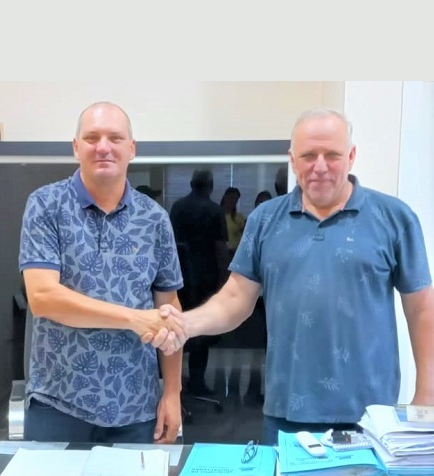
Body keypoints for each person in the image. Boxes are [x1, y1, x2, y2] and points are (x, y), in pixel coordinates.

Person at [153, 108, 434, 445]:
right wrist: (185, 325)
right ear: (292, 159)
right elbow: (234, 300)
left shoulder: (394, 218)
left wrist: (427, 391)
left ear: (351, 156)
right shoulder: (265, 220)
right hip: (287, 412)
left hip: (371, 413)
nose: (320, 166)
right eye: (308, 155)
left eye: (332, 155)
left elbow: (422, 308)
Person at [18, 101, 184, 444]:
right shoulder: (45, 205)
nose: (103, 147)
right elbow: (43, 297)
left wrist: (172, 392)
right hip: (58, 404)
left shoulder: (154, 219)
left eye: (115, 138)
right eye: (92, 138)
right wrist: (133, 318)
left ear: (131, 149)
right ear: (76, 147)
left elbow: (169, 308)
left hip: (136, 406)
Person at [169, 170, 229, 396]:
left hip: (180, 278)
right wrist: (224, 280)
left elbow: (169, 245)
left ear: (191, 183)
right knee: (202, 331)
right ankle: (197, 382)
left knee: (176, 328)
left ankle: (173, 384)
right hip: (206, 278)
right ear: (210, 186)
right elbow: (220, 248)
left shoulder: (177, 208)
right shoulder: (214, 210)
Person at [220, 187, 246, 259]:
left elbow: (246, 236)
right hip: (220, 253)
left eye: (236, 199)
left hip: (235, 253)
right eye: (231, 197)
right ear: (225, 197)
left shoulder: (239, 217)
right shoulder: (217, 215)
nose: (233, 201)